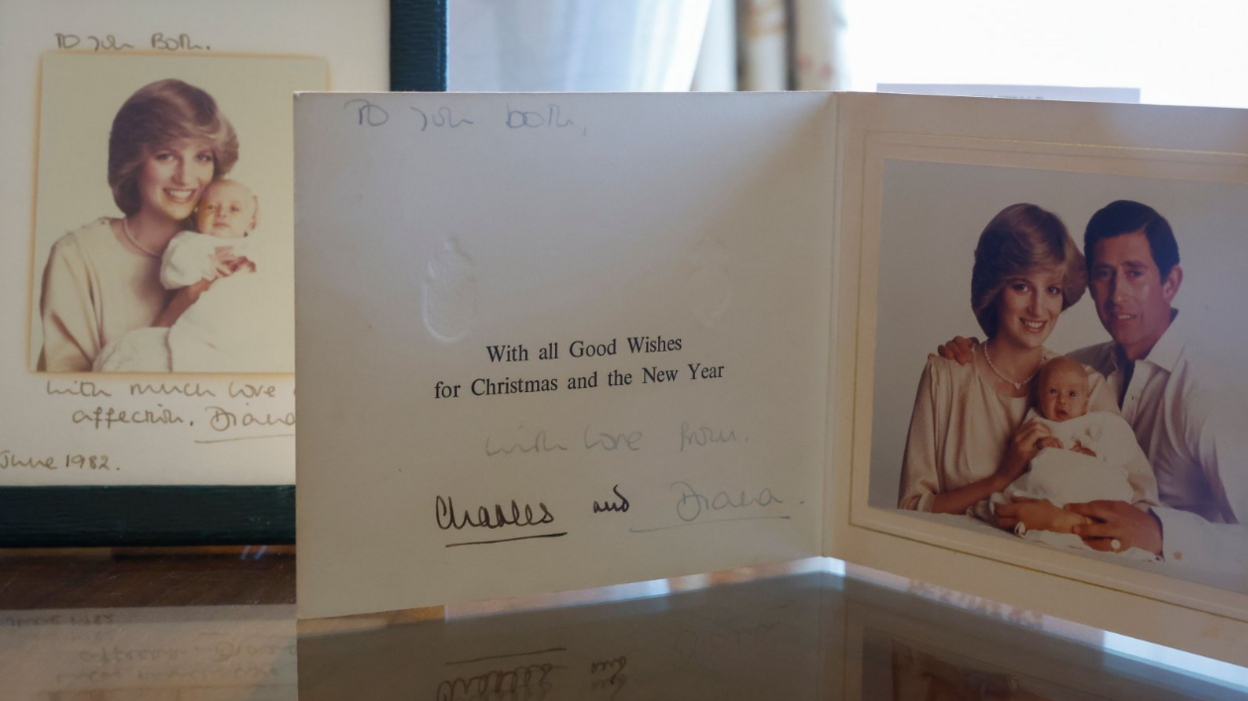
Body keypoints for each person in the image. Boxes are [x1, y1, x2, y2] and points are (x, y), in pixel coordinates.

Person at [940, 200, 1247, 578]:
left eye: (1134, 272)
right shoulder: (1078, 369)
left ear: (1171, 283)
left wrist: (1160, 532)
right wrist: (969, 352)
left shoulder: (1212, 392)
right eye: (1104, 273)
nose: (1116, 294)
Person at [898, 203, 1119, 517]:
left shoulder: (1088, 386)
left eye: (1052, 289)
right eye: (1022, 286)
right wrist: (1002, 478)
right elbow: (911, 509)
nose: (1038, 309)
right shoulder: (945, 377)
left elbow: (1125, 504)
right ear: (994, 287)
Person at [38, 78, 239, 372]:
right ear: (133, 161)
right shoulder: (78, 256)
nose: (185, 177)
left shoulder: (229, 250)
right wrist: (176, 309)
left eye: (201, 157)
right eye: (166, 155)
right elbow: (67, 401)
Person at [976, 356, 1158, 558]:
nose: (1062, 400)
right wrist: (1041, 444)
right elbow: (1024, 451)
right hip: (1051, 484)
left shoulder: (1096, 422)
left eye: (1072, 394)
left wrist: (1096, 451)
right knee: (1030, 487)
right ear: (1039, 396)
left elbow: (1124, 444)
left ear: (1086, 402)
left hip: (1089, 482)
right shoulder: (1037, 420)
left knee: (1109, 488)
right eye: (1053, 391)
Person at [93, 179, 261, 372]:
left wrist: (251, 262)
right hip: (197, 328)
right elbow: (172, 274)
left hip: (240, 330)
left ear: (252, 222)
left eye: (234, 209)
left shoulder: (254, 247)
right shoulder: (191, 243)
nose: (221, 213)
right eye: (211, 207)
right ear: (197, 216)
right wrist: (206, 264)